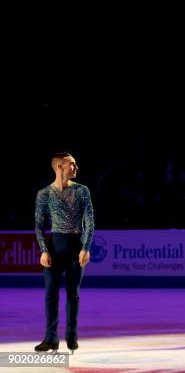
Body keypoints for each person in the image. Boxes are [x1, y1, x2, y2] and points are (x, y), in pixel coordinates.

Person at [34, 152, 94, 354]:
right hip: (54, 247)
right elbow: (39, 226)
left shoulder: (82, 191)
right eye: (72, 164)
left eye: (75, 164)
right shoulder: (44, 194)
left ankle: (71, 335)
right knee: (51, 293)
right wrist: (44, 250)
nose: (76, 167)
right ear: (60, 167)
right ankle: (50, 338)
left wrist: (85, 247)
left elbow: (90, 223)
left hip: (76, 247)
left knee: (72, 294)